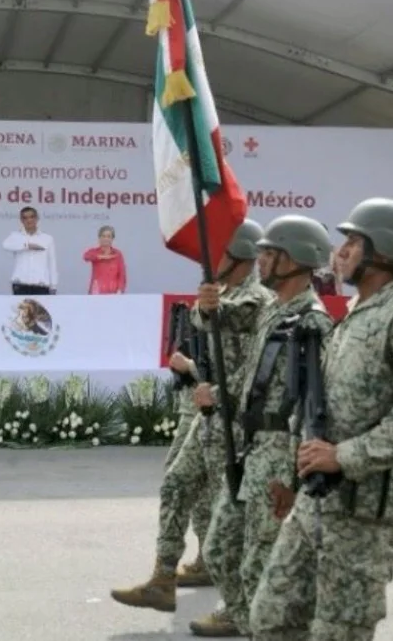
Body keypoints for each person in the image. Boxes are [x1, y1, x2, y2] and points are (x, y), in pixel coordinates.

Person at [249, 197, 393, 641]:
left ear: (385, 251)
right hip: (313, 501)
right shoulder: (357, 311)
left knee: (338, 632)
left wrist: (343, 456)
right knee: (271, 618)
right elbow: (317, 408)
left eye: (354, 242)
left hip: (361, 516)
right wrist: (293, 475)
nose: (340, 252)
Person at [110, 219, 273, 614]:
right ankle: (162, 578)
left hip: (237, 424)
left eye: (220, 253)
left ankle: (239, 605)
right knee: (176, 484)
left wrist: (210, 305)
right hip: (210, 416)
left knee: (227, 509)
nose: (211, 260)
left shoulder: (257, 299)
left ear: (240, 256)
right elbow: (207, 318)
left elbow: (232, 319)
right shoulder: (225, 294)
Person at [190, 215, 336, 638]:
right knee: (219, 550)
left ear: (295, 259)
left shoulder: (312, 322)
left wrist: (293, 476)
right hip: (251, 448)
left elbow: (314, 408)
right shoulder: (271, 309)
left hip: (279, 455)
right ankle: (247, 622)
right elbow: (220, 328)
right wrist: (206, 306)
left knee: (260, 566)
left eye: (270, 254)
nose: (261, 261)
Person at [2, 206, 58, 295]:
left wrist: (53, 285)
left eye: (32, 217)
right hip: (20, 284)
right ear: (21, 220)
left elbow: (52, 263)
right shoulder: (16, 236)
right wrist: (27, 246)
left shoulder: (47, 238)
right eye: (25, 218)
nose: (29, 220)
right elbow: (5, 245)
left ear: (37, 218)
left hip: (41, 284)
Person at [83, 225, 127, 294]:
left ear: (112, 239)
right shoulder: (94, 251)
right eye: (103, 236)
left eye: (109, 236)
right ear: (99, 238)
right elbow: (86, 257)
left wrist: (120, 290)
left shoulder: (117, 254)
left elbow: (122, 275)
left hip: (114, 292)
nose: (106, 239)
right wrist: (101, 257)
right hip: (96, 292)